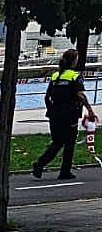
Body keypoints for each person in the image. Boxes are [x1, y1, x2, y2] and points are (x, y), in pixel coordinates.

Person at [33, 48, 96, 179]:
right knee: (69, 143)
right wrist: (90, 110)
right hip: (70, 114)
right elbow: (81, 95)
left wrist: (51, 110)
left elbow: (47, 96)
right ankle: (64, 171)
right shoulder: (74, 76)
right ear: (73, 61)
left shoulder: (56, 75)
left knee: (57, 142)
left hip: (55, 114)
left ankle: (40, 164)